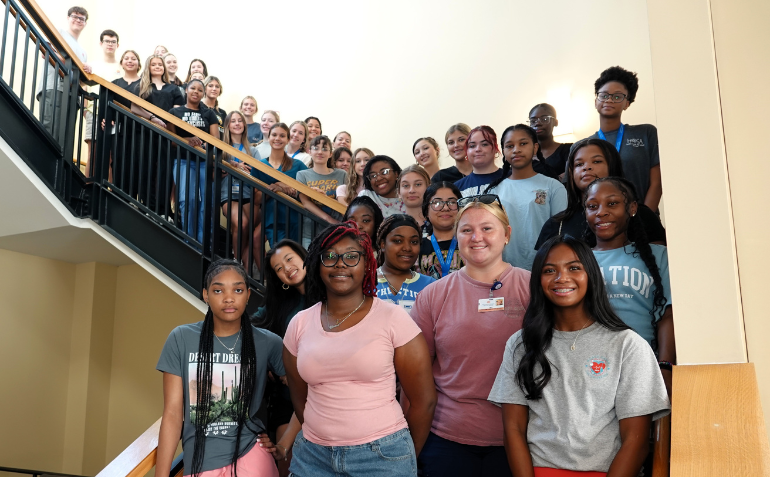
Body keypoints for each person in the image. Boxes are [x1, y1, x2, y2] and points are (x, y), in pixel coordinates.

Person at [488, 235, 670, 476]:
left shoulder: (628, 345)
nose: (562, 278)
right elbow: (513, 429)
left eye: (574, 268)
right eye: (549, 270)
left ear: (591, 275)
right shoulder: (521, 344)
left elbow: (635, 440)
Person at [283, 221, 437, 476]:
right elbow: (301, 399)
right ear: (317, 264)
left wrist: (403, 456)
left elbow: (424, 401)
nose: (340, 263)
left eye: (351, 256)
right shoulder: (299, 323)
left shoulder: (393, 318)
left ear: (368, 264)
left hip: (381, 457)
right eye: (330, 256)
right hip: (312, 456)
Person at [410, 195, 530, 476]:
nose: (477, 237)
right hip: (446, 440)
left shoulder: (534, 288)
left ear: (507, 235)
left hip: (521, 440)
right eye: (466, 230)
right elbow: (416, 376)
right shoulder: (433, 296)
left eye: (487, 228)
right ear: (457, 236)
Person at [155, 259, 285, 477]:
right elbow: (172, 414)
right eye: (218, 290)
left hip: (253, 457)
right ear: (206, 295)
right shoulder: (181, 338)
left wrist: (285, 443)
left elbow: (309, 392)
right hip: (201, 462)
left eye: (238, 289)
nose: (229, 298)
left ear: (248, 295)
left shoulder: (267, 342)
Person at [584, 177, 675, 394]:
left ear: (632, 208)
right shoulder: (577, 260)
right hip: (588, 369)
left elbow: (667, 317)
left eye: (612, 203)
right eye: (592, 206)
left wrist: (665, 366)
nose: (601, 212)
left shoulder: (658, 256)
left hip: (643, 365)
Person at [535, 138, 666, 249]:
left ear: (612, 166)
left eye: (597, 161)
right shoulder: (556, 224)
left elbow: (660, 263)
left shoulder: (642, 215)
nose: (587, 167)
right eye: (579, 164)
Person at [252, 240, 310, 475]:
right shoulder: (281, 305)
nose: (286, 268)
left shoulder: (334, 291)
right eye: (278, 268)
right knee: (286, 459)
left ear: (303, 255)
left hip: (325, 394)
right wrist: (268, 360)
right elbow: (247, 328)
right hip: (288, 397)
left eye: (289, 259)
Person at [485, 124, 568, 271]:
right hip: (503, 270)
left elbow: (561, 233)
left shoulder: (553, 187)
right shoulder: (494, 191)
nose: (516, 149)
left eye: (523, 144)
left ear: (535, 148)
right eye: (509, 146)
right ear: (503, 151)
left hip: (544, 268)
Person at [588, 66, 662, 212]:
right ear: (596, 101)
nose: (609, 100)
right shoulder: (584, 145)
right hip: (602, 221)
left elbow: (657, 182)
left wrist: (645, 218)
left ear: (627, 104)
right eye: (604, 95)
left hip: (643, 218)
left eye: (617, 97)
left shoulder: (646, 133)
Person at [168, 79, 220, 244]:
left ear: (203, 94)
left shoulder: (209, 113)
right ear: (186, 90)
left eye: (199, 89)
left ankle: (204, 244)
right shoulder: (175, 112)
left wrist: (202, 143)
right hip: (183, 161)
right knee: (186, 200)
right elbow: (172, 140)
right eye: (193, 88)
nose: (196, 92)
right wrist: (188, 139)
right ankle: (189, 241)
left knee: (206, 203)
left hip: (204, 163)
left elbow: (215, 140)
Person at [250, 122, 308, 246]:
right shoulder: (260, 166)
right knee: (278, 255)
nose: (277, 138)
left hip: (296, 220)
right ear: (269, 137)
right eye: (274, 135)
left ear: (288, 140)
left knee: (296, 256)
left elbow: (307, 193)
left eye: (282, 136)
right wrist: (276, 187)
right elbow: (256, 199)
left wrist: (286, 187)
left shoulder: (298, 165)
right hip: (273, 220)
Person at [38, 6, 91, 139]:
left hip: (72, 94)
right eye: (75, 16)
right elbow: (45, 51)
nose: (78, 20)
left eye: (82, 18)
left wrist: (86, 71)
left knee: (65, 137)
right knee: (50, 131)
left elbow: (80, 79)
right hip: (54, 87)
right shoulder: (59, 32)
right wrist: (76, 65)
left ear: (85, 23)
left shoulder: (83, 52)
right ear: (68, 18)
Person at [219, 111, 261, 264]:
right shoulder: (221, 147)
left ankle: (244, 266)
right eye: (233, 121)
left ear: (244, 125)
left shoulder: (253, 150)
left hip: (248, 194)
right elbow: (214, 170)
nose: (237, 124)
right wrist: (234, 166)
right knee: (241, 223)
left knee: (248, 230)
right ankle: (236, 261)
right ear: (227, 125)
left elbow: (258, 175)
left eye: (240, 121)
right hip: (228, 194)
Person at [375, 214, 436, 311]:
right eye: (398, 241)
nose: (407, 248)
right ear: (383, 244)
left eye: (414, 242)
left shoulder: (431, 286)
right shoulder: (364, 282)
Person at [296, 135, 347, 226]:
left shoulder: (342, 174)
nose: (320, 152)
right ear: (309, 152)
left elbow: (346, 201)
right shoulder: (301, 174)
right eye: (316, 148)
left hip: (338, 228)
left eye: (324, 149)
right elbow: (305, 202)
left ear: (330, 154)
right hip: (310, 229)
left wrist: (325, 199)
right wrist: (328, 219)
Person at [418, 182, 464, 279]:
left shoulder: (470, 242)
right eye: (437, 203)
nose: (446, 208)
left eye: (452, 202)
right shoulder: (417, 247)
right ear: (426, 211)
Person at [454, 126, 504, 197]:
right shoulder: (457, 188)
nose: (478, 149)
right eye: (472, 146)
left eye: (484, 144)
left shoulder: (511, 179)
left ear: (496, 148)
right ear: (467, 151)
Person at [529, 103, 572, 180]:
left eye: (544, 119)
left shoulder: (569, 150)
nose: (537, 123)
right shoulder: (524, 155)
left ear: (555, 122)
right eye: (533, 121)